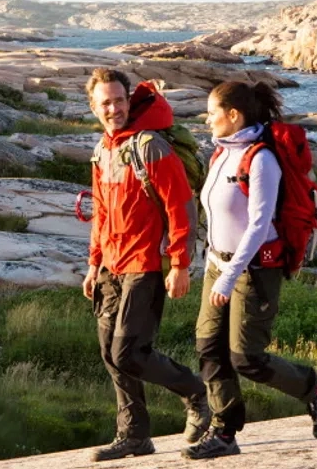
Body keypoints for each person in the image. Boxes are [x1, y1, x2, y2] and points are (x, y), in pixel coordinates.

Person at [182, 81, 317, 460]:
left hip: (253, 269)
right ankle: (224, 432)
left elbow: (258, 224)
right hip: (218, 264)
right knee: (208, 347)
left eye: (212, 112)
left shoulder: (261, 158)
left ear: (233, 116)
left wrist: (231, 273)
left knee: (245, 356)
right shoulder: (221, 155)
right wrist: (209, 262)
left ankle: (314, 389)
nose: (207, 119)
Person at [82, 68, 210, 462]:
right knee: (109, 351)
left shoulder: (150, 146)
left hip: (147, 263)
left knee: (129, 352)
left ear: (129, 100)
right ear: (94, 106)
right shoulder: (103, 149)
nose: (114, 108)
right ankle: (134, 435)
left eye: (119, 100)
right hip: (111, 267)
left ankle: (195, 391)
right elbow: (101, 212)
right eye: (105, 102)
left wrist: (180, 264)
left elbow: (180, 207)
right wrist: (93, 264)